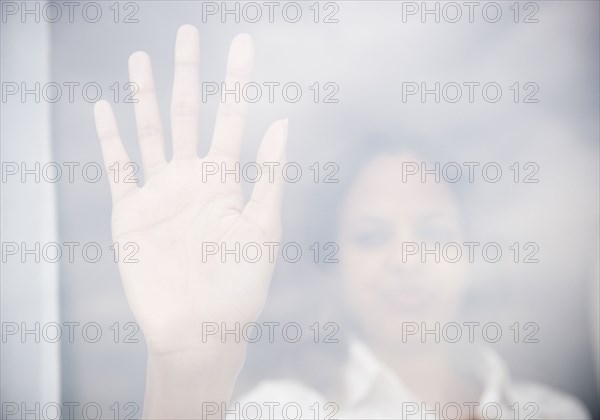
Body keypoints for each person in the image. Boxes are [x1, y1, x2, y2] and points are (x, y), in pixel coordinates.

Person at [94, 24, 591, 420]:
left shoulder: (556, 412)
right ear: (335, 262)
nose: (406, 258)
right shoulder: (282, 411)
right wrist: (183, 369)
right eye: (372, 236)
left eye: (435, 232)